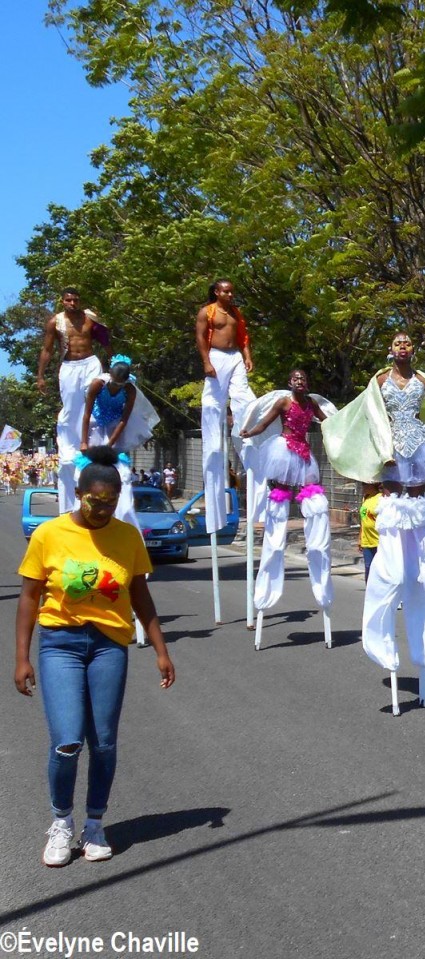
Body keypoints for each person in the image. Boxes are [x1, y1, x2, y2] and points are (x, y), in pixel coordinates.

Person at [14, 445, 175, 867]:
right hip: (60, 644)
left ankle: (94, 824)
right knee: (67, 741)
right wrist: (22, 657)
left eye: (111, 502)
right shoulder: (49, 535)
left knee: (102, 743)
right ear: (77, 494)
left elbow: (140, 595)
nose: (103, 509)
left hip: (109, 646)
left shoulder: (127, 537)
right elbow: (29, 597)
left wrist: (160, 650)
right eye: (95, 501)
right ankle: (61, 822)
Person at [323, 332, 425, 708]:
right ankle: (392, 562)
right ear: (390, 350)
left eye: (407, 342)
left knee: (416, 507)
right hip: (391, 448)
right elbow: (368, 416)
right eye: (397, 342)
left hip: (419, 445)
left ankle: (416, 559)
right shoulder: (379, 381)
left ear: (413, 350)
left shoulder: (422, 381)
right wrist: (370, 446)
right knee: (394, 505)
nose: (402, 346)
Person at [240, 370, 336, 618]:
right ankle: (275, 523)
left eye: (303, 378)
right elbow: (265, 423)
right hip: (284, 447)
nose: (300, 381)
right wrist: (250, 432)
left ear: (308, 383)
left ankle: (314, 529)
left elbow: (326, 422)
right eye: (296, 379)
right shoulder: (283, 402)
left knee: (311, 492)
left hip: (303, 451)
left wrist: (342, 428)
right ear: (290, 383)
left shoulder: (311, 403)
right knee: (281, 492)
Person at [37, 288, 111, 513]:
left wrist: (114, 359)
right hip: (69, 366)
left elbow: (104, 339)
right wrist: (40, 376)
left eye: (75, 300)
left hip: (90, 363)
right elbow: (47, 349)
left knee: (93, 404)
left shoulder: (90, 317)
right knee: (70, 409)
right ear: (62, 301)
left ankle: (94, 442)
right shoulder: (56, 322)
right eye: (68, 300)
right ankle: (70, 448)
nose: (72, 303)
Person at [195, 280, 256, 533]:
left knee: (244, 397)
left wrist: (247, 356)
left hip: (235, 357)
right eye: (226, 291)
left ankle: (246, 429)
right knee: (213, 402)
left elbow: (243, 337)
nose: (230, 294)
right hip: (217, 356)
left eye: (232, 291)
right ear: (217, 292)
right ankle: (214, 438)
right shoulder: (207, 312)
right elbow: (200, 338)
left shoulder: (235, 312)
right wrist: (206, 362)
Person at [79, 355, 160, 530]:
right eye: (114, 383)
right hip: (96, 422)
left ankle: (122, 516)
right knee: (88, 461)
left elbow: (124, 420)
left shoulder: (129, 390)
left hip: (115, 426)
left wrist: (110, 445)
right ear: (109, 375)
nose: (116, 387)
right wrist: (84, 442)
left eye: (120, 384)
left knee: (118, 463)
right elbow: (86, 414)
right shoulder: (98, 384)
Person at [358, 483, 381, 581]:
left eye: (364, 485)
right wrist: (360, 538)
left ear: (371, 485)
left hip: (378, 541)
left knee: (379, 569)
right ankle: (369, 589)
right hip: (366, 541)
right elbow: (363, 520)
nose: (362, 487)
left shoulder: (380, 498)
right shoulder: (365, 498)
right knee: (368, 567)